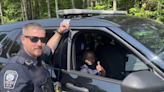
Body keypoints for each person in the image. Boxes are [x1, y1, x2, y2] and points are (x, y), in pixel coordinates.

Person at [0, 22, 69, 92]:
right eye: (34, 39)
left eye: (42, 40)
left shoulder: (38, 57)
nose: (39, 44)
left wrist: (59, 32)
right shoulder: (15, 69)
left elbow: (50, 48)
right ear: (23, 39)